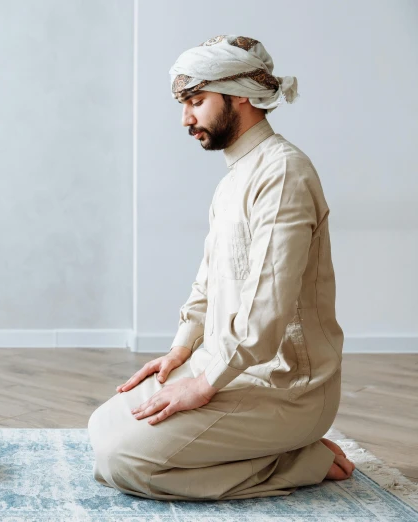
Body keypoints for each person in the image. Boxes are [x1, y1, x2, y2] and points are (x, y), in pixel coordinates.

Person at [87, 35, 354, 500]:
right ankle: (270, 448)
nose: (186, 118)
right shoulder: (235, 179)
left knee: (124, 461)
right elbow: (207, 283)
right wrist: (180, 352)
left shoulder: (284, 172)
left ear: (241, 95)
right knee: (103, 425)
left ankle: (299, 458)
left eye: (196, 101)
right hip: (224, 365)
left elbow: (266, 311)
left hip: (287, 386)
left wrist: (203, 386)